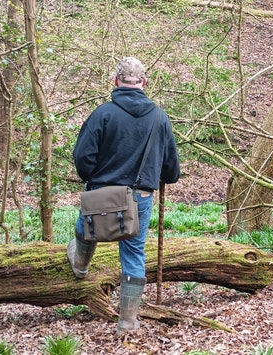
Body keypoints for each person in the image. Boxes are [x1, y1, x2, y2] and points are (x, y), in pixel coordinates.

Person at [68, 56, 181, 335]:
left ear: (116, 81)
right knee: (133, 252)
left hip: (102, 191)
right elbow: (171, 169)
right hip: (139, 197)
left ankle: (80, 265)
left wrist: (93, 178)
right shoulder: (159, 117)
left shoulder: (102, 113)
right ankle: (127, 322)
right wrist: (161, 177)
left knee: (86, 228)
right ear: (143, 83)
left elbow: (83, 158)